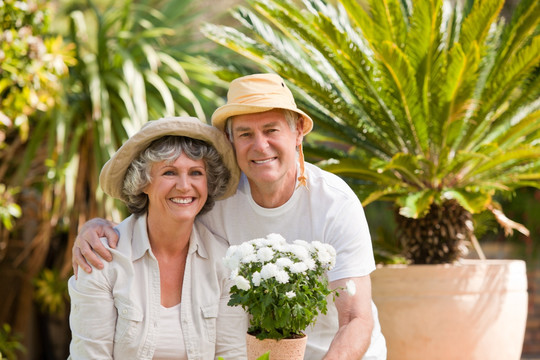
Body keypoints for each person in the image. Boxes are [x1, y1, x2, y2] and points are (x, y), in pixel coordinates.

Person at [73, 74, 387, 360]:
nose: (260, 145)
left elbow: (356, 319)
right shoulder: (218, 198)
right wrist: (97, 228)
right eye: (246, 133)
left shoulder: (335, 203)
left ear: (298, 133)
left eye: (271, 130)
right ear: (230, 139)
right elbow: (163, 215)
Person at [68, 116, 247, 359]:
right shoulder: (102, 258)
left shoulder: (225, 263)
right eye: (169, 172)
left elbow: (232, 355)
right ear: (143, 182)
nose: (184, 186)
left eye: (196, 173)